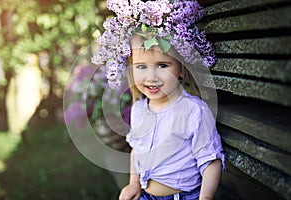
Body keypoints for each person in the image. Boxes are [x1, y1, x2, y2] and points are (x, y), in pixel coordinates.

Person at [92, 1, 225, 199]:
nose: (151, 77)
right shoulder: (139, 109)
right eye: (141, 66)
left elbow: (210, 160)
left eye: (162, 65)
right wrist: (133, 184)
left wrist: (205, 197)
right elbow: (137, 149)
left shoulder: (193, 111)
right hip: (146, 195)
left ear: (180, 69)